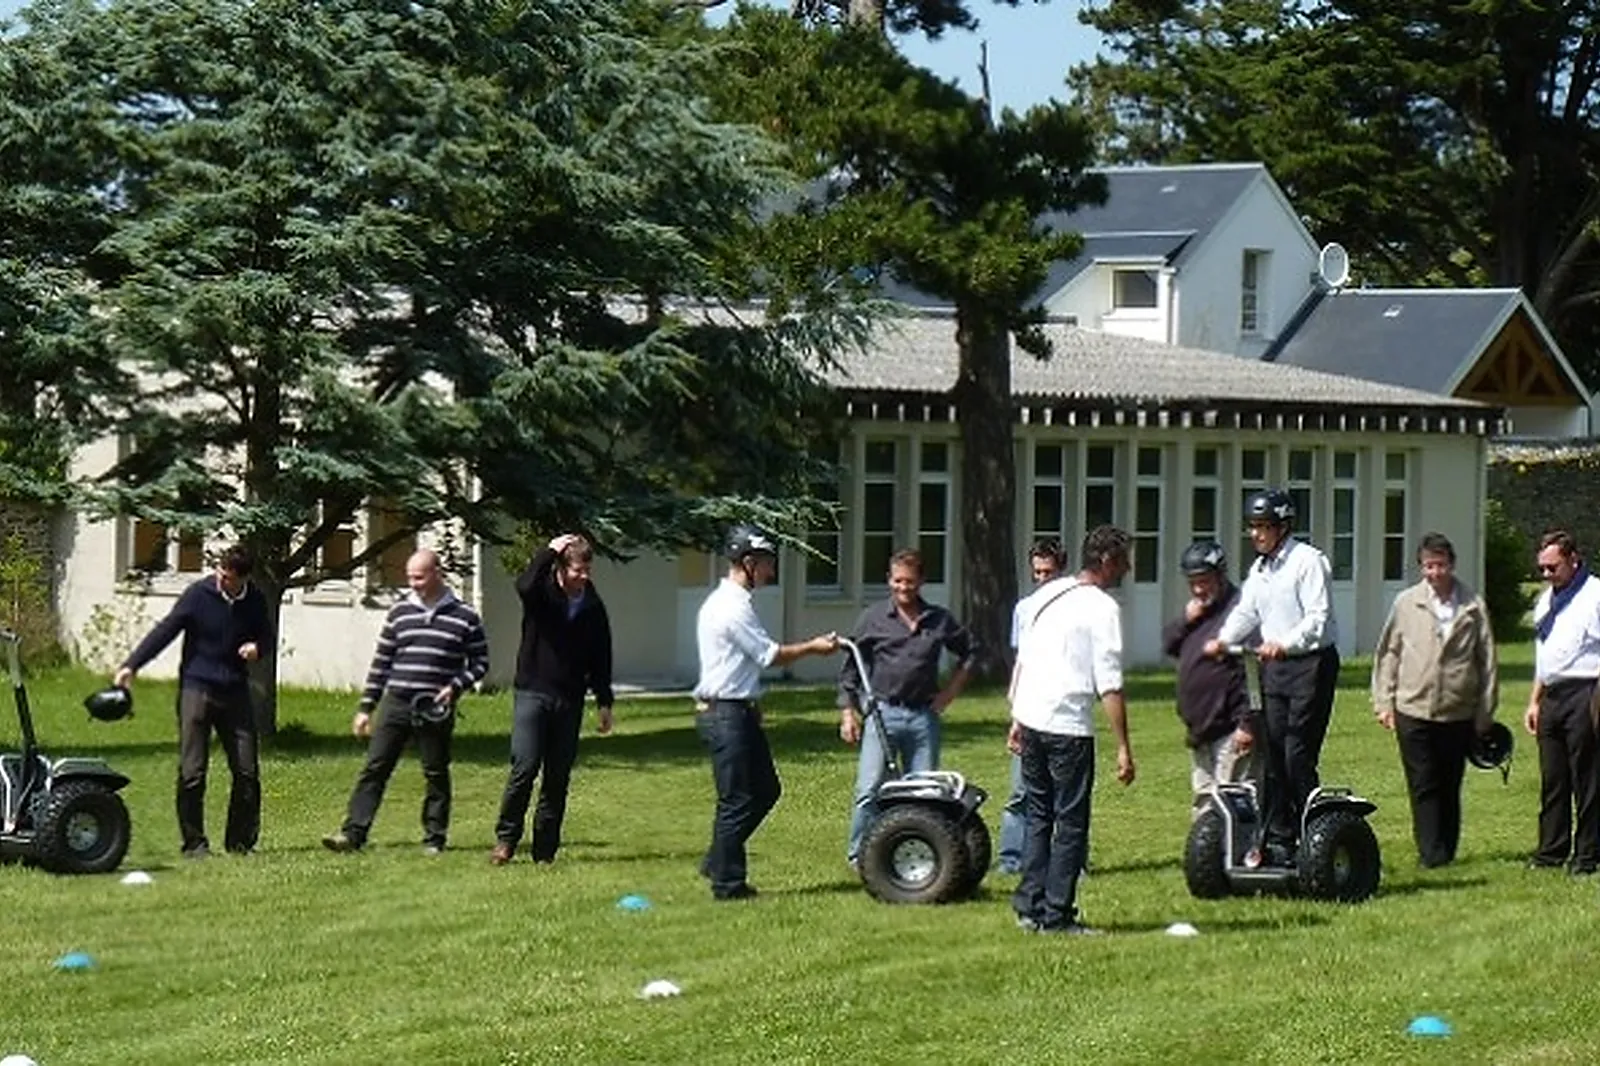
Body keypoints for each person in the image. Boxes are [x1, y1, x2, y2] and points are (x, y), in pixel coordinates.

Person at [695, 524, 838, 900]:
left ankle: (718, 858)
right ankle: (728, 884)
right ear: (747, 562)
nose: (771, 572)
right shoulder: (730, 608)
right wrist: (815, 647)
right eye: (766, 564)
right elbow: (768, 655)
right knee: (737, 799)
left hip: (738, 710)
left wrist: (753, 705)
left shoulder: (735, 602)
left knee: (766, 790)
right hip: (725, 714)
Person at [1008, 524, 1137, 934]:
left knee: (1038, 815)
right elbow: (1110, 684)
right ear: (1106, 561)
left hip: (1032, 717)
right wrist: (1123, 748)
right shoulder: (1102, 608)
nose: (1128, 569)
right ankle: (1058, 914)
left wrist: (1016, 718)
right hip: (1067, 726)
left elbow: (1025, 660)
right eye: (1123, 561)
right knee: (1072, 822)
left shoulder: (1047, 594)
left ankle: (1029, 905)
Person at [323, 549, 489, 855]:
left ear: (437, 573)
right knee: (375, 767)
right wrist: (366, 708)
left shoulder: (464, 616)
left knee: (435, 771)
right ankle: (353, 833)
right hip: (397, 701)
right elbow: (382, 663)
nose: (413, 583)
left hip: (435, 705)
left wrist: (455, 686)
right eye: (410, 577)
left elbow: (480, 662)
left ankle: (434, 837)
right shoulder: (400, 613)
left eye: (419, 577)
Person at [1205, 488, 1339, 866]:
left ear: (1283, 527)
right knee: (1273, 753)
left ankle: (1314, 833)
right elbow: (1247, 612)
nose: (1256, 534)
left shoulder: (1308, 562)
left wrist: (1285, 642)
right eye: (1252, 527)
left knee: (1297, 753)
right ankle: (1279, 837)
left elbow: (1318, 618)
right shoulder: (1261, 569)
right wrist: (1222, 641)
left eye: (1263, 527)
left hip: (1310, 663)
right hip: (1274, 667)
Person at [114, 545, 272, 859]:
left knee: (247, 770)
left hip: (235, 691)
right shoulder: (198, 595)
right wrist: (131, 665)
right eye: (220, 573)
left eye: (228, 578)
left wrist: (258, 648)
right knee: (192, 771)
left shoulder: (254, 600)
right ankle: (194, 843)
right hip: (197, 688)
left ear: (244, 578)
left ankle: (241, 843)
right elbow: (166, 630)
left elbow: (266, 636)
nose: (221, 580)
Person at [838, 548, 977, 868]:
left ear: (922, 582)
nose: (903, 588)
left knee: (924, 792)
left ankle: (918, 854)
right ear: (889, 580)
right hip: (882, 715)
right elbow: (850, 670)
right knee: (870, 788)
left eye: (910, 582)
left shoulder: (938, 619)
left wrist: (950, 693)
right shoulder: (872, 618)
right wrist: (848, 712)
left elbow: (971, 651)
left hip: (922, 717)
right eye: (897, 581)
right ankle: (860, 855)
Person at [1371, 532, 1499, 868]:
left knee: (1449, 782)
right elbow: (1389, 653)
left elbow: (1487, 661)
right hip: (1412, 707)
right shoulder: (1406, 603)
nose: (1435, 572)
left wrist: (1485, 712)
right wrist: (1384, 701)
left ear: (1451, 565)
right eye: (1428, 566)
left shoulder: (1472, 605)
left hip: (1457, 710)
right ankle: (1432, 854)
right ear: (1421, 567)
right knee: (1423, 783)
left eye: (1440, 565)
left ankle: (1447, 846)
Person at [490, 533, 615, 866]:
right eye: (577, 570)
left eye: (588, 571)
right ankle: (506, 840)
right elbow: (523, 585)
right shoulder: (541, 594)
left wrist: (604, 701)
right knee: (525, 767)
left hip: (569, 699)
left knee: (557, 777)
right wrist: (549, 550)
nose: (583, 577)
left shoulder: (592, 606)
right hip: (533, 691)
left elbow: (601, 656)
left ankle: (545, 851)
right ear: (561, 567)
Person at [1523, 530, 1600, 874]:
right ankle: (1551, 851)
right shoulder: (1546, 600)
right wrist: (1534, 701)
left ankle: (1587, 855)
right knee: (1554, 778)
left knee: (1587, 777)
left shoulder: (1594, 595)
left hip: (1586, 690)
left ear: (1572, 560)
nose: (1546, 575)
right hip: (1553, 694)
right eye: (1542, 568)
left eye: (1552, 568)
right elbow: (1545, 656)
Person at [1162, 539, 1255, 812]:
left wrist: (1248, 723)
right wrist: (1185, 621)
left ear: (1221, 575)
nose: (1199, 589)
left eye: (1205, 581)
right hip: (1200, 729)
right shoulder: (1197, 612)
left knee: (1232, 803)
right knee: (1204, 803)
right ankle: (1206, 855)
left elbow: (1254, 669)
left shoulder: (1241, 612)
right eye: (1193, 582)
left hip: (1231, 727)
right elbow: (1169, 645)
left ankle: (1238, 854)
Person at [998, 538, 1066, 874]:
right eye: (1037, 572)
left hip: (1063, 709)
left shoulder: (1074, 607)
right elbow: (1020, 662)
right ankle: (1011, 857)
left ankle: (1068, 860)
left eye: (1048, 572)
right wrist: (1016, 716)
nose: (1042, 578)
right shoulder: (1024, 609)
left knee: (1065, 793)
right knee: (1020, 791)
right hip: (1030, 705)